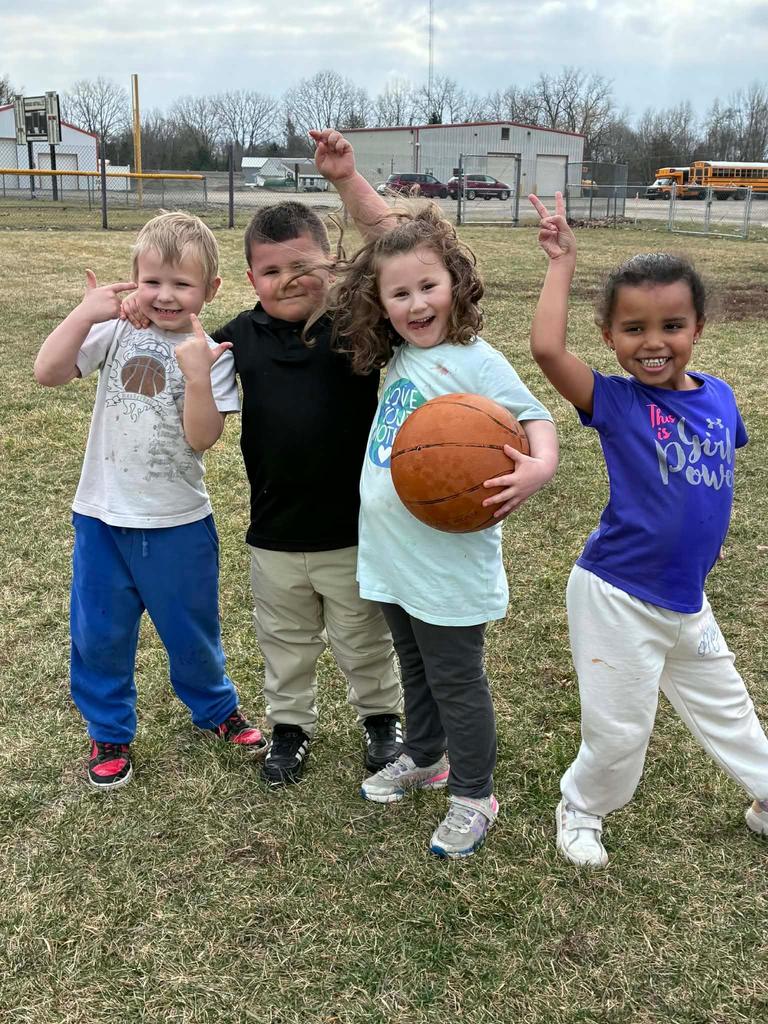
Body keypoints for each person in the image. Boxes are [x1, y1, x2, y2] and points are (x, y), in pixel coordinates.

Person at [315, 130, 559, 858]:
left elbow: (537, 419)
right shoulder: (398, 354)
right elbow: (386, 237)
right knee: (413, 668)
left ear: (454, 282)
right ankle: (426, 758)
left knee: (458, 679)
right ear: (381, 304)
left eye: (429, 285)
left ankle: (475, 794)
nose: (417, 300)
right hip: (393, 556)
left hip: (448, 562)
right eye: (400, 293)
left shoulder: (475, 360)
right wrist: (347, 180)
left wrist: (538, 467)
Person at [123, 196, 404, 786]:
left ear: (333, 266)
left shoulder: (361, 327)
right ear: (251, 279)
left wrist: (349, 182)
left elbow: (402, 252)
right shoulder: (237, 339)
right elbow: (181, 332)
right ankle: (290, 726)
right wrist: (140, 307)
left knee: (363, 636)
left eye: (302, 266)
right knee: (285, 640)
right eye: (271, 272)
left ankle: (381, 719)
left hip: (355, 529)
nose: (288, 281)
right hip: (274, 530)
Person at [528, 192, 768, 867]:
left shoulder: (720, 396)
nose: (653, 342)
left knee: (728, 704)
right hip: (617, 595)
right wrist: (561, 261)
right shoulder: (618, 401)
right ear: (609, 336)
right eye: (633, 329)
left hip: (686, 599)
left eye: (671, 325)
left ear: (697, 327)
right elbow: (547, 349)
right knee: (622, 728)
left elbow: (711, 477)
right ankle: (581, 807)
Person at [33, 211, 266, 790]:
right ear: (134, 279)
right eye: (153, 280)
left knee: (191, 630)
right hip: (101, 518)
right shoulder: (114, 331)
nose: (165, 296)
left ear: (210, 290)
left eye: (181, 284)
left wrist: (194, 376)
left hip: (177, 522)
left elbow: (202, 438)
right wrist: (85, 312)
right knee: (99, 634)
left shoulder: (214, 353)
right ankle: (108, 728)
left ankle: (215, 708)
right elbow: (47, 372)